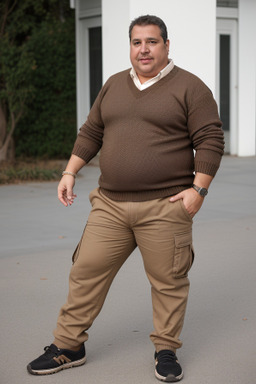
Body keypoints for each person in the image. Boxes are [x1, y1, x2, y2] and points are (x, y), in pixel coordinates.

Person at [27, 15, 224, 382]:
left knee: (169, 281)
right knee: (85, 272)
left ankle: (166, 350)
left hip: (165, 206)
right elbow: (92, 131)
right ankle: (69, 346)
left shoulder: (191, 87)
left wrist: (198, 191)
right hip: (110, 204)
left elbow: (211, 139)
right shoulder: (114, 84)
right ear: (130, 47)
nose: (144, 49)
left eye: (152, 41)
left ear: (166, 45)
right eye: (137, 42)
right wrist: (70, 171)